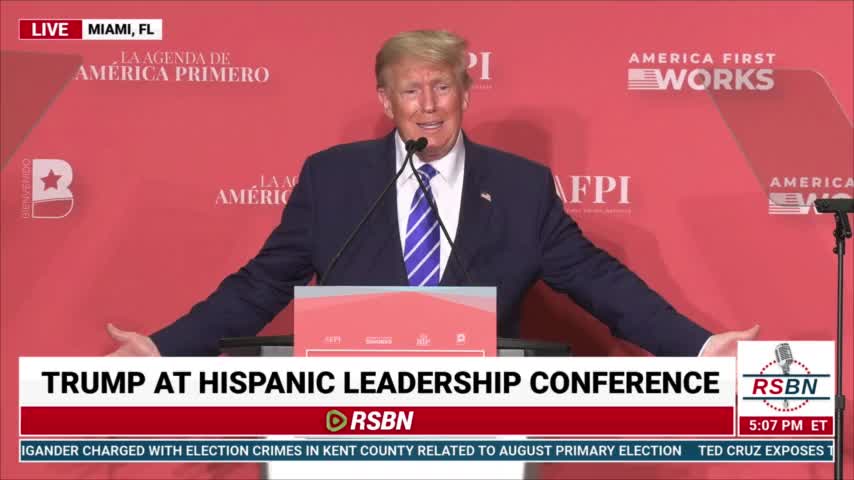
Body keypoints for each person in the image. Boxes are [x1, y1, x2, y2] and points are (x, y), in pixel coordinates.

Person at [108, 30, 758, 357]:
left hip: (476, 425)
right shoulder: (332, 178)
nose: (428, 105)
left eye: (442, 87)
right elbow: (262, 284)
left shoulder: (520, 187)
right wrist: (164, 347)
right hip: (345, 425)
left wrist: (698, 345)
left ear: (466, 95)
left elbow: (596, 278)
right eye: (411, 90)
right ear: (385, 100)